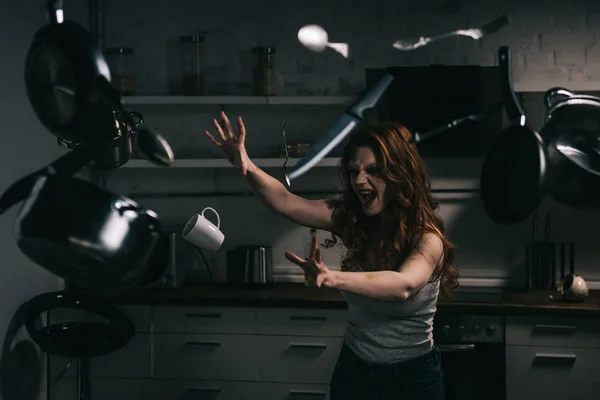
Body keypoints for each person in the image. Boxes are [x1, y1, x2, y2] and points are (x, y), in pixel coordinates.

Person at [204, 111, 459, 400]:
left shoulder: (428, 238)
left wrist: (332, 277)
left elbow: (404, 285)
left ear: (400, 173)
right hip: (355, 371)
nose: (359, 181)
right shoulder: (352, 219)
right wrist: (245, 164)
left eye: (373, 171)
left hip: (412, 379)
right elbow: (286, 202)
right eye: (354, 171)